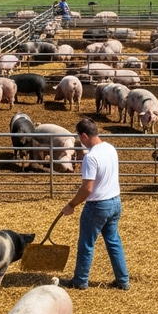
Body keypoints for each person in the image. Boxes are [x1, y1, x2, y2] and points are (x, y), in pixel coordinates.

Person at [59, 118, 129, 291]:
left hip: (98, 206)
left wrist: (71, 205)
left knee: (86, 244)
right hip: (115, 202)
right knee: (113, 242)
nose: (80, 141)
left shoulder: (90, 157)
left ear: (84, 136)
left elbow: (87, 188)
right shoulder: (110, 148)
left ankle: (80, 281)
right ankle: (123, 281)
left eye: (79, 137)